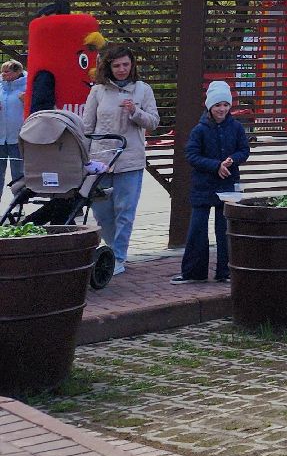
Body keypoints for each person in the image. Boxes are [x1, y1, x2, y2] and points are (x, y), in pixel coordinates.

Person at [81, 44, 159, 275]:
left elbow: (154, 121)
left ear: (132, 65)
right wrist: (84, 158)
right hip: (101, 161)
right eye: (117, 65)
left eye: (126, 64)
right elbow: (87, 127)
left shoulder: (143, 89)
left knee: (125, 211)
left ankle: (118, 258)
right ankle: (111, 250)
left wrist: (135, 111)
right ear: (108, 67)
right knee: (102, 213)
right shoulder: (98, 91)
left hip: (130, 160)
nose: (122, 69)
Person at [173, 81, 250, 284]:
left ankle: (226, 271)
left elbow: (244, 150)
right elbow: (192, 155)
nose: (222, 109)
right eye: (217, 105)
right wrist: (216, 166)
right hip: (203, 186)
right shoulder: (199, 129)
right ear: (209, 106)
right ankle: (193, 272)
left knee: (225, 229)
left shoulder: (236, 127)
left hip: (228, 186)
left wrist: (232, 160)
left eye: (225, 104)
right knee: (197, 229)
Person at [1, 59, 26, 191]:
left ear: (17, 72)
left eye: (7, 71)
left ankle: (19, 201)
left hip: (18, 138)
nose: (3, 74)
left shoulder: (27, 87)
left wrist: (27, 101)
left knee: (18, 175)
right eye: (2, 72)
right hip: (0, 138)